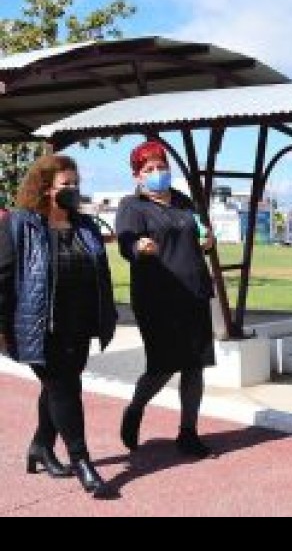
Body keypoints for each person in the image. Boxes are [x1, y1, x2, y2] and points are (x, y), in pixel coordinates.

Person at [0, 154, 117, 497]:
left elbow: (101, 273)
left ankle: (40, 446)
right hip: (38, 325)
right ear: (45, 189)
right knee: (65, 388)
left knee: (58, 387)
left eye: (76, 184)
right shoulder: (19, 224)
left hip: (78, 323)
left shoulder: (86, 226)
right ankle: (82, 462)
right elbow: (2, 278)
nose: (73, 190)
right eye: (66, 184)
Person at [115, 140, 216, 459]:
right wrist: (138, 247)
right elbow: (126, 243)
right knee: (163, 367)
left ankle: (188, 433)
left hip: (194, 295)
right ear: (137, 175)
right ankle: (136, 407)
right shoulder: (132, 207)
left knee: (195, 367)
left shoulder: (184, 202)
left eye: (161, 166)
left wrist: (208, 241)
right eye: (149, 168)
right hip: (157, 300)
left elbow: (201, 235)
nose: (157, 172)